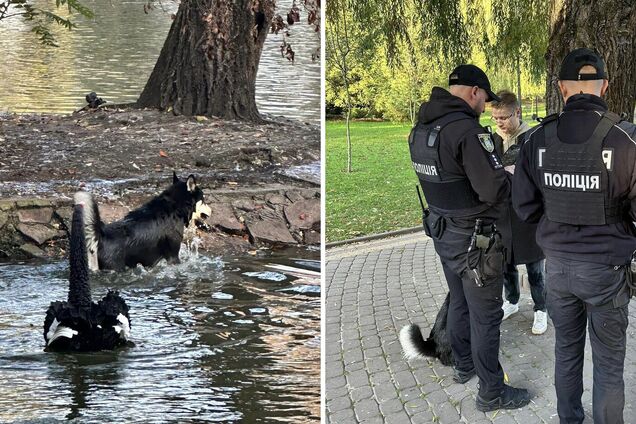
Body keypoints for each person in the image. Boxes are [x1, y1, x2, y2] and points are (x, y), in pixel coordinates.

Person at [512, 48, 636, 424]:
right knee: (609, 364)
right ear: (606, 86)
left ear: (562, 89)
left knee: (567, 352)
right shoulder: (625, 139)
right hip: (607, 271)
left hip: (559, 270)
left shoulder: (536, 140)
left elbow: (525, 208)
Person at [408, 64, 531, 412]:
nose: (484, 108)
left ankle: (463, 366)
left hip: (443, 234)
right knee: (485, 315)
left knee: (459, 301)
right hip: (476, 242)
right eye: (484, 100)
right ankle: (492, 392)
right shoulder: (465, 132)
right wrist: (506, 173)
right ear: (474, 92)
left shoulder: (421, 129)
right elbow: (493, 191)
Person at [491, 91, 547, 334]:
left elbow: (544, 174)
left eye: (504, 117)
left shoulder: (533, 137)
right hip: (502, 211)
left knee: (535, 266)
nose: (500, 123)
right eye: (495, 118)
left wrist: (521, 173)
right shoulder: (491, 139)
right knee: (506, 262)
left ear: (517, 112)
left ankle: (541, 309)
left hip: (528, 213)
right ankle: (512, 301)